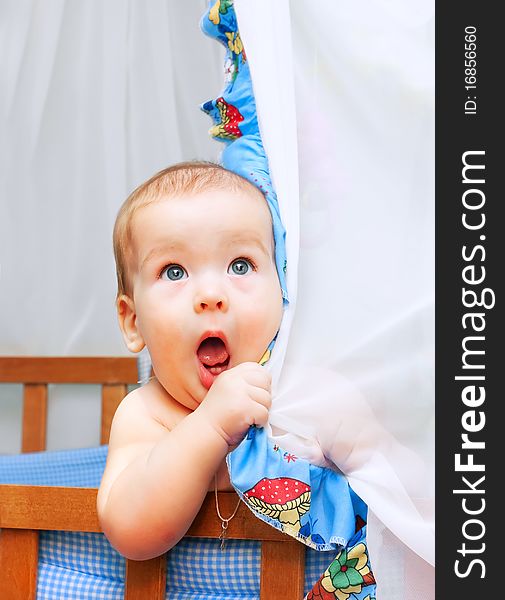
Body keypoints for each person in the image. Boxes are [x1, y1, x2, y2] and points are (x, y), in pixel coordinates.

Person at [97, 160, 284, 561]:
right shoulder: (146, 415)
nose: (211, 294)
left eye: (240, 265)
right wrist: (211, 425)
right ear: (133, 322)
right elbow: (131, 530)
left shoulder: (298, 385)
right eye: (174, 271)